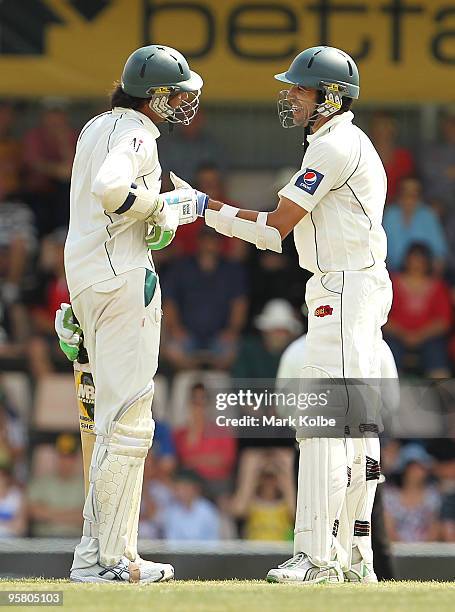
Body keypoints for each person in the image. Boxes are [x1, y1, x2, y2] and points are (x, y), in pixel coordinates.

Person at [177, 46, 393, 583]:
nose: (291, 95)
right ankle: (354, 558)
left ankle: (319, 557)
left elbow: (276, 228)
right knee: (355, 427)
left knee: (328, 427)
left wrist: (207, 209)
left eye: (301, 88)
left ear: (330, 96)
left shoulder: (335, 147)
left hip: (345, 292)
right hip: (349, 290)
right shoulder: (337, 142)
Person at [58, 44, 204, 583]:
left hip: (90, 280)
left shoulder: (95, 127)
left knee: (114, 419)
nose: (182, 103)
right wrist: (162, 206)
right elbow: (110, 190)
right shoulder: (138, 134)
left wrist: (158, 220)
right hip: (123, 284)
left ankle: (93, 557)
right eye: (176, 93)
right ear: (155, 96)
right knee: (130, 422)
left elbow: (109, 211)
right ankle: (115, 560)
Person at [276, 334, 399, 581]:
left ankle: (332, 566)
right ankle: (350, 569)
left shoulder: (297, 349)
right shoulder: (377, 346)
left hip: (326, 446)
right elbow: (390, 402)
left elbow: (284, 405)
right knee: (363, 524)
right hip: (354, 441)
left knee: (323, 519)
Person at [384, 243, 452, 378]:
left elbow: (444, 321)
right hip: (396, 337)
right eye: (413, 260)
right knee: (389, 357)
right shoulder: (391, 283)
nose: (416, 265)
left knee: (436, 355)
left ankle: (441, 397)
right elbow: (381, 316)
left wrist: (420, 335)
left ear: (427, 262)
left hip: (429, 338)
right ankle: (391, 397)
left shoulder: (438, 286)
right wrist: (403, 334)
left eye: (420, 260)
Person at [383, 177, 447, 273]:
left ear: (420, 196)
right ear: (399, 194)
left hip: (424, 274)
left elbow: (439, 254)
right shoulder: (390, 215)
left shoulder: (429, 215)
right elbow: (379, 249)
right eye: (406, 192)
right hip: (393, 274)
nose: (409, 197)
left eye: (414, 193)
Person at [28, 434, 85, 537]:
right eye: (62, 456)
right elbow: (32, 511)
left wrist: (50, 514)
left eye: (69, 457)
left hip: (75, 542)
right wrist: (70, 516)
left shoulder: (85, 485)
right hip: (44, 541)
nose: (65, 461)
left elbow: (87, 516)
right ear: (56, 457)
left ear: (76, 459)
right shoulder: (42, 482)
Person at [369, 111, 415, 203]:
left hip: (398, 209)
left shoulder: (404, 156)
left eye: (387, 126)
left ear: (394, 130)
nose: (383, 131)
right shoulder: (363, 153)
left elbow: (410, 186)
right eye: (379, 126)